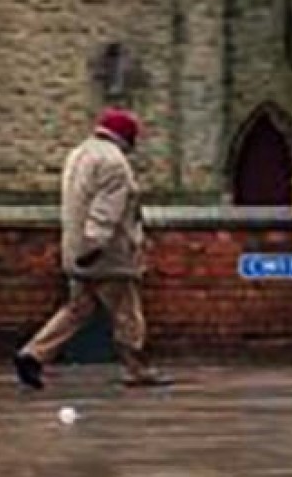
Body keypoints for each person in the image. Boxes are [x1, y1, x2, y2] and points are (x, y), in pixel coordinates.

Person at [13, 108, 172, 389]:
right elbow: (105, 211)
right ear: (126, 138)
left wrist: (80, 249)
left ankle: (33, 354)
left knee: (77, 308)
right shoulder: (114, 163)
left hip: (76, 249)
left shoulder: (79, 154)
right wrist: (96, 245)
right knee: (127, 313)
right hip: (106, 254)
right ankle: (136, 369)